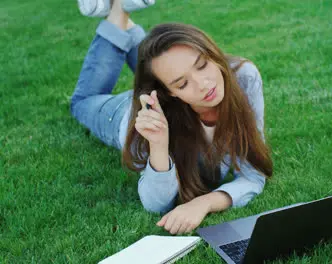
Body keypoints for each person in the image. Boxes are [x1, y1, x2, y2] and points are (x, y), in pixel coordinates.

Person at [71, 0, 273, 235]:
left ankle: (124, 16)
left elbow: (252, 175)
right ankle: (118, 11)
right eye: (183, 83)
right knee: (82, 102)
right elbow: (156, 204)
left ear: (212, 54)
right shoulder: (147, 119)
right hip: (119, 115)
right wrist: (158, 145)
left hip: (162, 86)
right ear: (170, 93)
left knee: (159, 59)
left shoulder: (243, 78)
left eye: (202, 65)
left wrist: (204, 202)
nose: (204, 84)